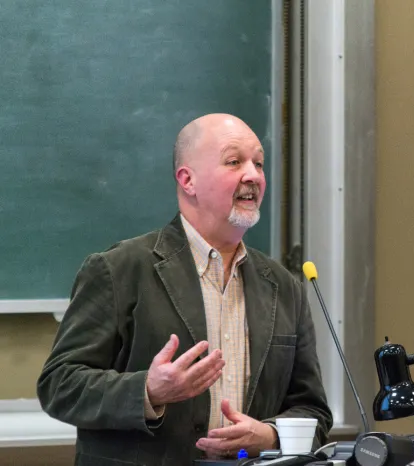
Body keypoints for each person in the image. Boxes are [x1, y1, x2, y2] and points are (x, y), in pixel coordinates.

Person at [37, 113, 333, 466]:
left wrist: (269, 434)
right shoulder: (118, 270)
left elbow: (313, 410)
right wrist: (148, 391)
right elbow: (60, 385)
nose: (253, 175)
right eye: (234, 161)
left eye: (259, 163)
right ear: (188, 180)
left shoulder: (285, 287)